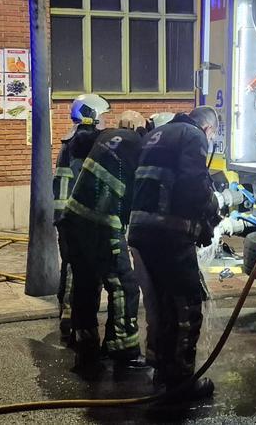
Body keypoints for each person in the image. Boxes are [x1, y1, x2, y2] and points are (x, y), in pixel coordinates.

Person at [127, 106, 222, 401]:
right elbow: (195, 183)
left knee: (164, 304)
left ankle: (163, 370)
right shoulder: (193, 135)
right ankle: (182, 381)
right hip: (167, 233)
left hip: (142, 231)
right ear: (208, 129)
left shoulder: (160, 133)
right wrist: (211, 216)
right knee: (187, 305)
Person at [60, 110, 151, 377]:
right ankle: (124, 350)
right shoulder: (137, 146)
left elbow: (76, 143)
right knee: (125, 285)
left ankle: (85, 348)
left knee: (86, 284)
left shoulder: (105, 136)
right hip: (101, 224)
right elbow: (138, 193)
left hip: (74, 219)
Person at [53, 94, 111, 345]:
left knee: (69, 266)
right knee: (81, 271)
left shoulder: (70, 140)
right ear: (92, 115)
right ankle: (74, 321)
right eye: (104, 116)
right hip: (78, 217)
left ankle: (68, 317)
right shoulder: (86, 142)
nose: (106, 121)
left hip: (66, 216)